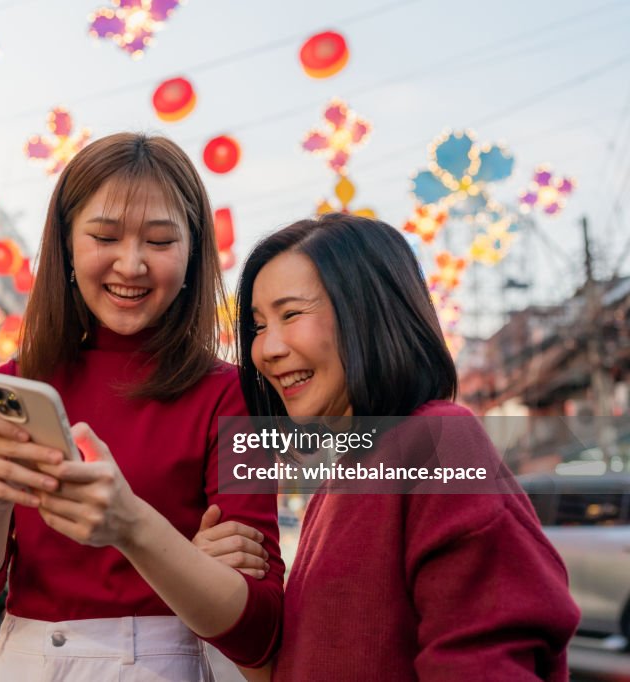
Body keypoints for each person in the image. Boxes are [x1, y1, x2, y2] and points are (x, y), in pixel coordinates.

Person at [0, 133, 284, 680]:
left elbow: (259, 625)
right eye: (104, 235)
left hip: (156, 662)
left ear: (193, 255)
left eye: (160, 241)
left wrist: (135, 527)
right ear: (67, 246)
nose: (131, 264)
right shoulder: (17, 382)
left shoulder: (229, 393)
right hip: (20, 659)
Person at [194, 213, 579, 680]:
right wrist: (218, 582)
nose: (266, 349)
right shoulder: (344, 480)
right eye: (258, 326)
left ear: (367, 313)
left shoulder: (437, 443)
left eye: (291, 314)